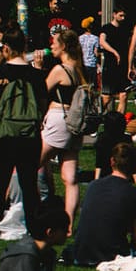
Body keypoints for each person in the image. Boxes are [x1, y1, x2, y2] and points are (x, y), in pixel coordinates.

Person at [0, 30, 47, 224]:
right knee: (28, 183)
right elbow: (41, 109)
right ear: (25, 47)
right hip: (29, 137)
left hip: (2, 136)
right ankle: (33, 224)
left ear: (6, 49)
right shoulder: (36, 76)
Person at [67, 142, 136, 265]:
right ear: (134, 166)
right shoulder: (135, 194)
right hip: (111, 255)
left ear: (111, 162)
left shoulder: (93, 185)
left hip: (80, 254)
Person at [38, 29, 88, 225]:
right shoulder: (80, 69)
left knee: (32, 164)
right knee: (70, 178)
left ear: (64, 46)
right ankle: (68, 223)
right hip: (75, 123)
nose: (51, 46)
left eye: (54, 43)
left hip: (59, 119)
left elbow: (41, 90)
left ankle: (36, 210)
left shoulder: (60, 69)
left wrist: (38, 67)